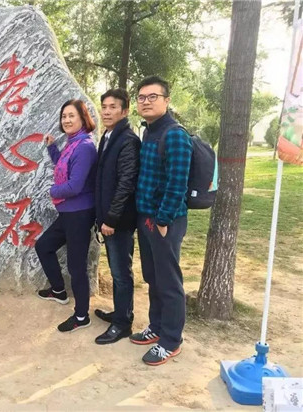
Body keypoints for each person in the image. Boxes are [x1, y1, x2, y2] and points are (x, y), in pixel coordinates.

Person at [130, 76, 192, 365]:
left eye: (152, 96)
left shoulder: (175, 134)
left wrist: (163, 219)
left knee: (168, 281)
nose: (146, 101)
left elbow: (177, 183)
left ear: (166, 100)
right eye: (142, 97)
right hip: (146, 218)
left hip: (165, 220)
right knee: (152, 277)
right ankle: (156, 327)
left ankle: (171, 340)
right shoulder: (149, 132)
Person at [36, 99, 97, 333]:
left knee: (76, 266)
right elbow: (64, 165)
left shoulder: (84, 146)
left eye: (72, 116)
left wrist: (52, 191)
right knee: (44, 246)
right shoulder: (73, 144)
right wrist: (53, 149)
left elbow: (74, 185)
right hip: (68, 213)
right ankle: (59, 291)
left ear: (83, 118)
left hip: (79, 214)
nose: (67, 120)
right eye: (64, 116)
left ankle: (82, 316)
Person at [93, 88, 140, 345]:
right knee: (116, 270)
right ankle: (120, 312)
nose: (107, 111)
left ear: (125, 111)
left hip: (119, 222)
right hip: (108, 218)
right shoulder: (109, 136)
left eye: (113, 107)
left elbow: (126, 183)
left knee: (121, 273)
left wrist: (111, 219)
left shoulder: (128, 140)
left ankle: (123, 324)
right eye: (104, 107)